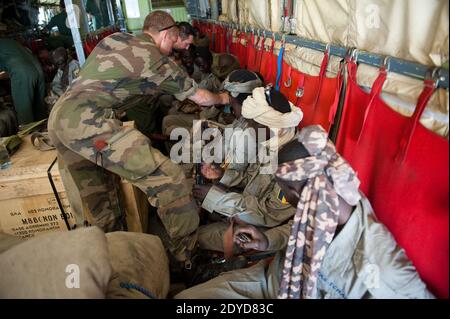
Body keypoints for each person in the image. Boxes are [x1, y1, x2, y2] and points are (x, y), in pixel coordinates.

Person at [47, 11, 229, 267]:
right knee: (170, 179)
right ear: (166, 35)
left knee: (102, 201)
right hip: (86, 120)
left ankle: (115, 264)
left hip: (59, 119)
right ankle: (187, 258)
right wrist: (225, 98)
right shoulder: (154, 58)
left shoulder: (115, 39)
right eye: (176, 39)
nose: (177, 47)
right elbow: (199, 97)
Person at [175, 125, 434, 299]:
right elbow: (300, 229)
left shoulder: (381, 266)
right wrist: (265, 240)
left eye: (284, 189)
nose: (285, 197)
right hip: (271, 281)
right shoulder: (330, 199)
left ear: (297, 192)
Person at [193, 87, 303, 255]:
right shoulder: (270, 144)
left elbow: (270, 214)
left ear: (272, 127)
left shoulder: (292, 164)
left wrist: (217, 199)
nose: (249, 128)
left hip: (261, 231)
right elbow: (251, 177)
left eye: (253, 124)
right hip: (244, 208)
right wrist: (222, 175)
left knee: (197, 236)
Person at [0, 38, 47, 125]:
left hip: (23, 72)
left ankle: (28, 136)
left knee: (24, 112)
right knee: (39, 109)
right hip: (38, 69)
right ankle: (45, 133)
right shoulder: (8, 41)